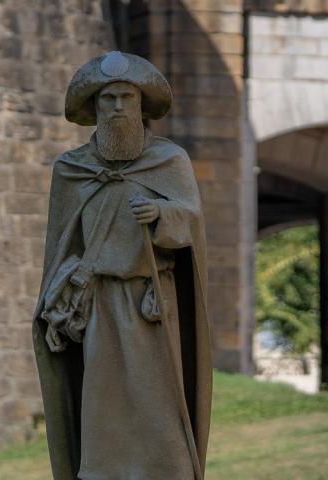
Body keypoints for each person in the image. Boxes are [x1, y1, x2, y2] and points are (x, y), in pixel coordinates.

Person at [31, 51, 212, 479]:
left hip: (152, 305)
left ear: (140, 104)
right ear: (94, 105)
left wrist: (162, 215)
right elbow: (61, 245)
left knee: (159, 405)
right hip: (101, 307)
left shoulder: (169, 161)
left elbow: (191, 222)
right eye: (108, 98)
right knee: (104, 404)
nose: (117, 107)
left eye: (126, 97)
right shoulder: (72, 169)